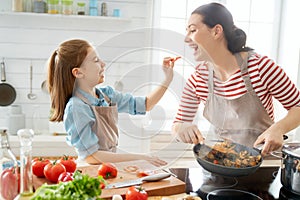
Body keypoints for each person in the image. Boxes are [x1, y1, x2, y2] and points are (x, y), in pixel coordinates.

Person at [172, 2, 300, 156]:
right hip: (218, 166)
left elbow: (297, 106)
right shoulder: (198, 78)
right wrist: (182, 129)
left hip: (263, 166)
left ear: (216, 31)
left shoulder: (260, 67)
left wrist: (278, 128)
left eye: (192, 30)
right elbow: (178, 123)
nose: (186, 39)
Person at [47, 39, 176, 166]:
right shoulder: (76, 107)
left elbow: (146, 105)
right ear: (78, 72)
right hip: (91, 172)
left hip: (108, 167)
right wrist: (140, 157)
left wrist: (167, 79)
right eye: (96, 60)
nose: (103, 64)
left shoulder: (107, 95)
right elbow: (92, 156)